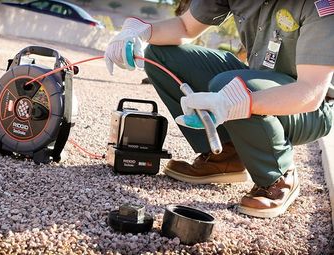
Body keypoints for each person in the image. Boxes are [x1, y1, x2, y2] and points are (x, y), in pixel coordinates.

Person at [104, 0, 334, 218]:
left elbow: (310, 91)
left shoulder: (320, 6)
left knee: (229, 86)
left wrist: (234, 101)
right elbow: (185, 26)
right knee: (160, 54)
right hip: (257, 80)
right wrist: (139, 31)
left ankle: (278, 175)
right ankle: (226, 155)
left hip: (309, 109)